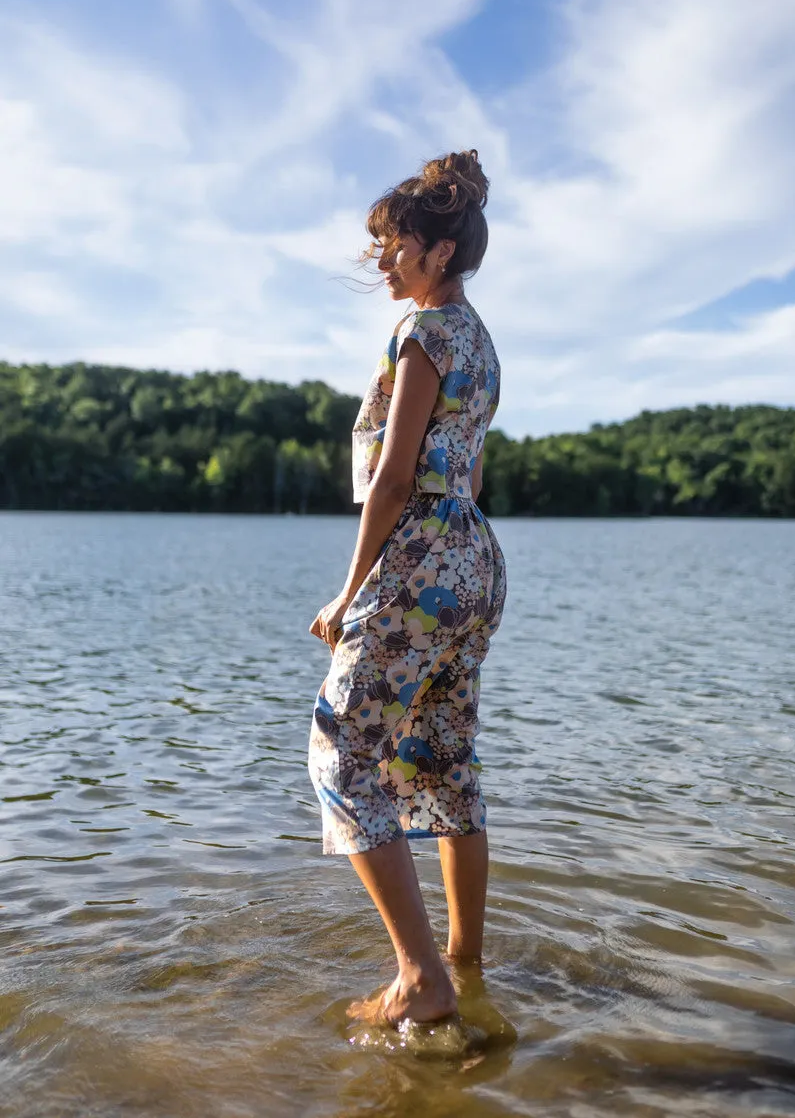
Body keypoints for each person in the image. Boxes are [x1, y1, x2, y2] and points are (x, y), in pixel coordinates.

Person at [307, 149, 507, 1028]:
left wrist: (351, 591)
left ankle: (421, 980)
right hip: (473, 558)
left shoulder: (422, 333)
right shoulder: (480, 338)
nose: (383, 260)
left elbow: (392, 478)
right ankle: (465, 963)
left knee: (341, 751)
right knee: (442, 762)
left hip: (421, 551)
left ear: (437, 251)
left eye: (394, 245)